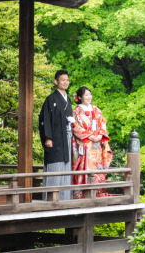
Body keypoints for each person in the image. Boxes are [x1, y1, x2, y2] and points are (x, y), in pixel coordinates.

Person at [38, 69, 75, 201]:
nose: (65, 82)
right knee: (55, 164)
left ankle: (65, 198)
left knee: (67, 164)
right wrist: (48, 137)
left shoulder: (68, 100)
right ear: (56, 82)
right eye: (63, 80)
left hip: (67, 138)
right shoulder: (51, 99)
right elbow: (45, 119)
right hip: (55, 138)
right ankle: (52, 199)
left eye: (67, 80)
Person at [71, 86, 113, 198]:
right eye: (86, 95)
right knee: (84, 167)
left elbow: (102, 123)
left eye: (90, 94)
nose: (89, 97)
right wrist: (90, 136)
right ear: (79, 97)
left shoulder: (96, 109)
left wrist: (99, 135)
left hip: (97, 144)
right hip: (85, 144)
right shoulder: (76, 111)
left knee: (97, 167)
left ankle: (98, 191)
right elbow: (76, 127)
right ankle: (82, 193)